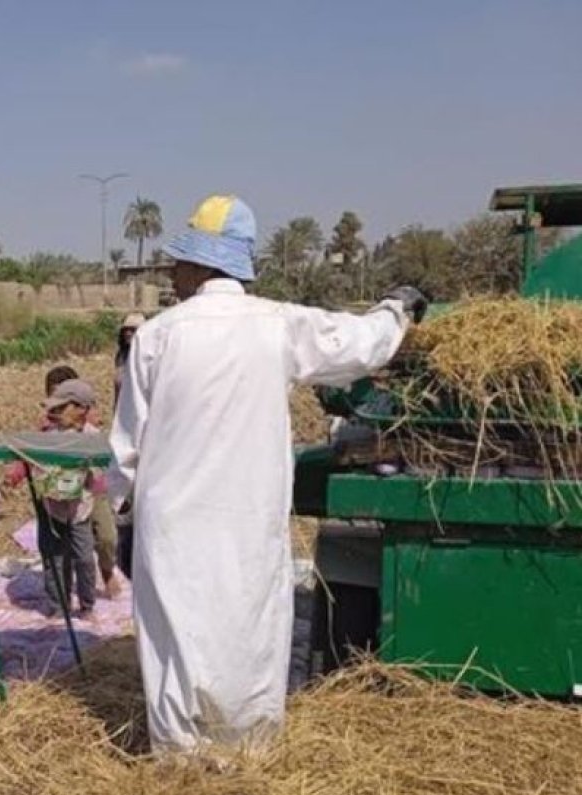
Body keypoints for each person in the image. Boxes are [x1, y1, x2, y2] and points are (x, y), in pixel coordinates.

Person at [108, 193, 425, 755]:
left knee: (175, 637)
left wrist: (125, 512)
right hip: (247, 517)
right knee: (246, 629)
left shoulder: (158, 336)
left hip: (171, 520)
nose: (174, 272)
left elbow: (128, 445)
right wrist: (395, 310)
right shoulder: (278, 325)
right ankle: (246, 753)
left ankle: (181, 758)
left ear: (205, 265)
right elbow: (361, 345)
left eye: (180, 262)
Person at [10, 378, 105, 618]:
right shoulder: (48, 435)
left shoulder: (94, 437)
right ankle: (57, 604)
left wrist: (91, 471)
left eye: (61, 408)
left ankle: (87, 605)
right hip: (53, 507)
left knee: (83, 557)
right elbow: (28, 456)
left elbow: (103, 470)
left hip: (79, 507)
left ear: (81, 409)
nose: (54, 412)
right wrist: (17, 474)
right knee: (55, 557)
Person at [113, 312, 145, 408]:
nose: (128, 333)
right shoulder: (122, 355)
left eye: (132, 330)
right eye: (126, 330)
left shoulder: (147, 356)